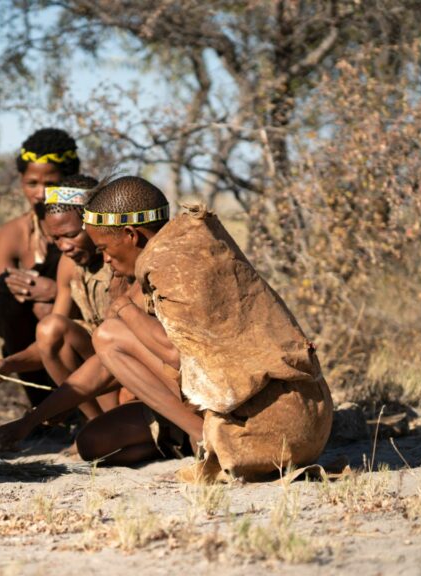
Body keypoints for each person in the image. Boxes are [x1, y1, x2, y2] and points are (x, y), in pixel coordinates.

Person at [86, 176, 332, 481]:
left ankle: (203, 438)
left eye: (104, 248)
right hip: (308, 423)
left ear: (130, 234)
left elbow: (180, 356)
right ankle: (197, 437)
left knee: (109, 336)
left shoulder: (169, 263)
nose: (106, 259)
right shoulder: (194, 244)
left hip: (268, 431)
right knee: (94, 440)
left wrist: (122, 307)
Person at [0, 176, 161, 465]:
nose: (64, 246)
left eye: (72, 235)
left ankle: (129, 433)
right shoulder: (70, 267)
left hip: (135, 374)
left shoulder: (126, 261)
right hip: (103, 371)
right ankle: (95, 424)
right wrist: (8, 365)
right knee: (53, 329)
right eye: (56, 239)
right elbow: (50, 339)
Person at [0, 128, 81, 407]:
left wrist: (56, 292)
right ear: (20, 181)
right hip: (28, 334)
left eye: (51, 184)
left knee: (47, 313)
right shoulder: (13, 232)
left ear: (68, 182)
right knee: (5, 289)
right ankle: (44, 404)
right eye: (32, 183)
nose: (40, 194)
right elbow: (6, 309)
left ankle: (76, 401)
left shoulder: (86, 227)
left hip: (78, 326)